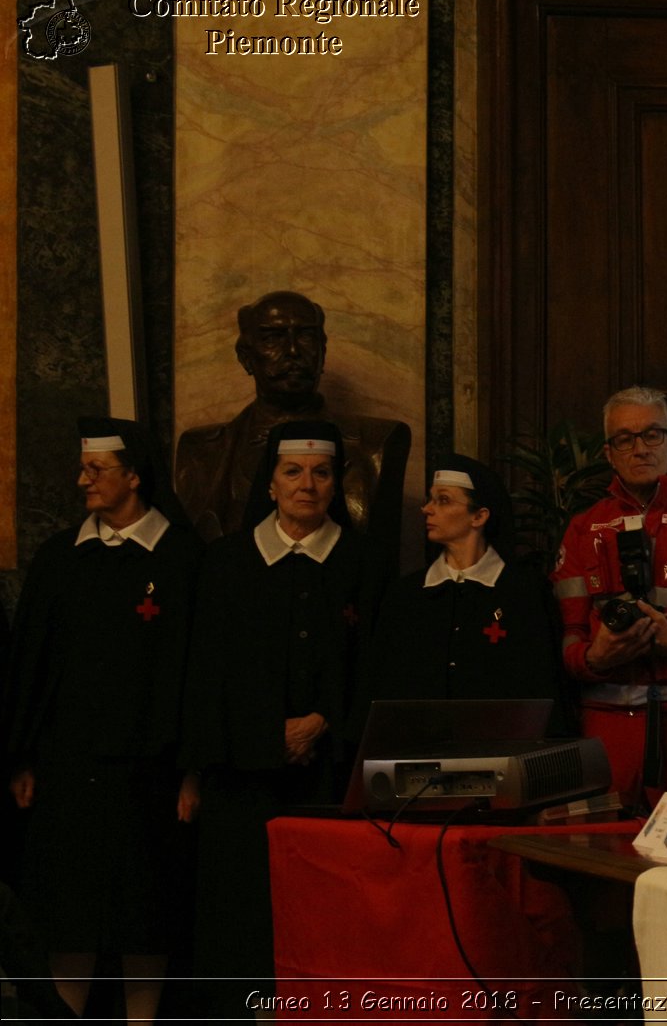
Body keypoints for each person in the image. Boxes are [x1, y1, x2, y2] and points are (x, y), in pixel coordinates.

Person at [3, 417, 203, 1020]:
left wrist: (193, 773)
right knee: (72, 913)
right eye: (83, 468)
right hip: (67, 770)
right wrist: (23, 758)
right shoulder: (59, 558)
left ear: (135, 476)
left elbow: (200, 674)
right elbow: (29, 668)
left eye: (96, 470)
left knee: (145, 914)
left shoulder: (183, 559)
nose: (82, 479)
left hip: (150, 774)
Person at [182, 420, 370, 1009]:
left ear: (336, 484)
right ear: (270, 485)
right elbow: (206, 673)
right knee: (242, 926)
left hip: (328, 777)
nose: (306, 485)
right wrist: (263, 736)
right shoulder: (225, 563)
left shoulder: (365, 561)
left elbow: (374, 667)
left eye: (320, 473)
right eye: (293, 472)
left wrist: (323, 721)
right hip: (240, 777)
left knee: (324, 923)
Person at [552, 388, 667, 806]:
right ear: (610, 454)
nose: (640, 448)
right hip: (608, 726)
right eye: (625, 439)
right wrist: (594, 658)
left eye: (652, 435)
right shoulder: (583, 529)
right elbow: (566, 634)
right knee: (602, 854)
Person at [173, 290, 410, 569]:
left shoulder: (377, 443)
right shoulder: (201, 449)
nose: (294, 351)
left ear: (323, 350)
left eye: (307, 336)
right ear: (246, 357)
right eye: (273, 338)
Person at [362, 454, 564, 714]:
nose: (427, 509)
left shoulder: (524, 593)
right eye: (430, 499)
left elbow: (543, 687)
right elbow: (382, 685)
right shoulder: (406, 596)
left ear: (479, 516)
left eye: (443, 500)